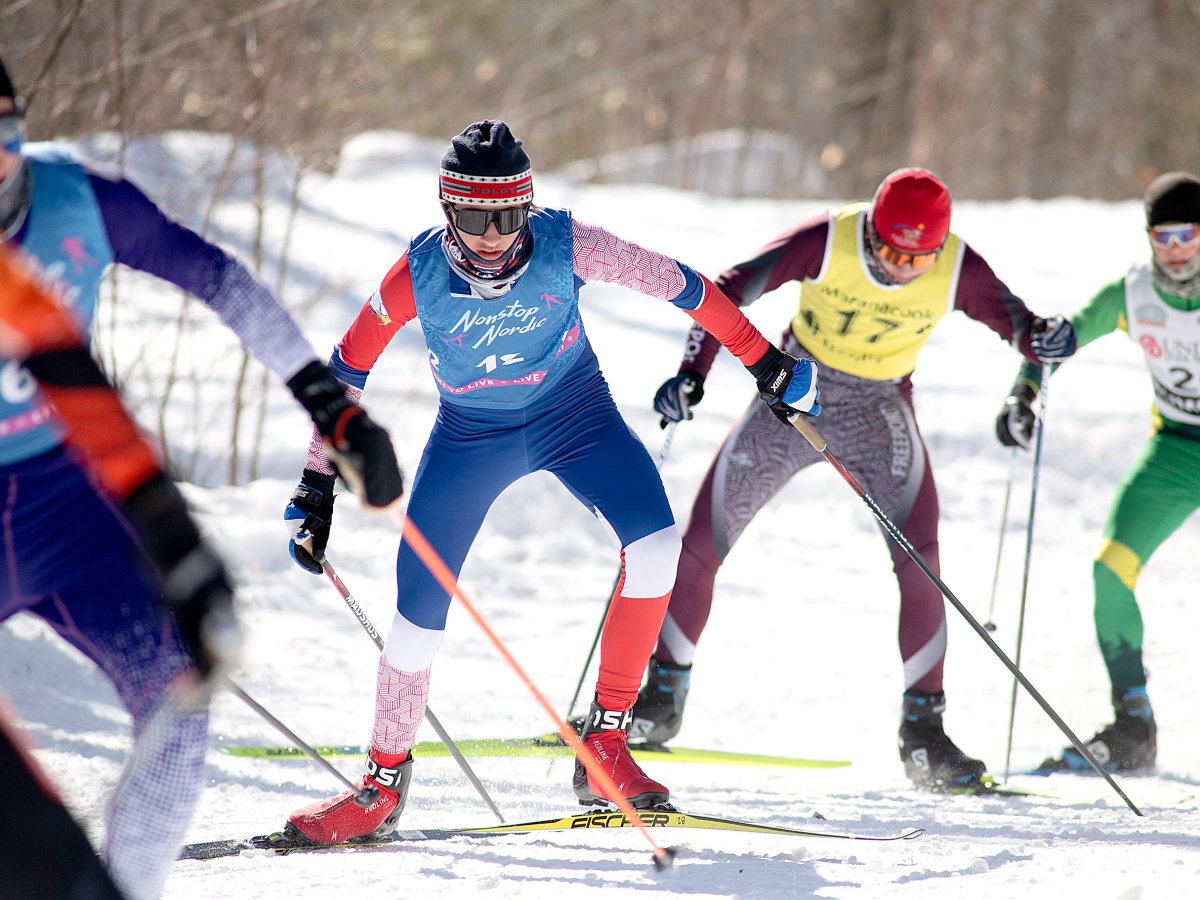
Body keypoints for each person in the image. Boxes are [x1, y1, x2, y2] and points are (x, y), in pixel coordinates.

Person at [280, 119, 820, 844]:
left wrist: (764, 363)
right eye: (476, 216)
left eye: (509, 214)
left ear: (529, 204)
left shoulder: (570, 245)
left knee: (657, 549)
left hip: (576, 416)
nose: (495, 235)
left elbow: (685, 287)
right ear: (448, 209)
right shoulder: (417, 277)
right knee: (414, 623)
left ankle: (605, 743)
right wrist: (317, 485)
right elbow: (344, 373)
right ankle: (382, 785)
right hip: (472, 437)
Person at [0, 57, 402, 899]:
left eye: (4, 134)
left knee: (178, 696)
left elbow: (213, 282)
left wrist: (330, 408)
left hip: (67, 508)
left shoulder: (73, 209)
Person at [634, 167, 1077, 793]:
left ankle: (924, 733)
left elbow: (1024, 331)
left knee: (921, 560)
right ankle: (660, 699)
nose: (900, 266)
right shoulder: (830, 239)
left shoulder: (958, 268)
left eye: (916, 258)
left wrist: (1048, 338)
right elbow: (729, 287)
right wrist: (692, 372)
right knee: (702, 541)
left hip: (878, 410)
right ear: (871, 229)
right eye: (890, 249)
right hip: (795, 393)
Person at [996, 172, 1200, 774]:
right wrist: (1024, 391)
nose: (1176, 249)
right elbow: (1062, 337)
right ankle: (1133, 724)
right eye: (1163, 236)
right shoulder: (1134, 295)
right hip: (1178, 451)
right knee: (1110, 570)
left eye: (1187, 234)